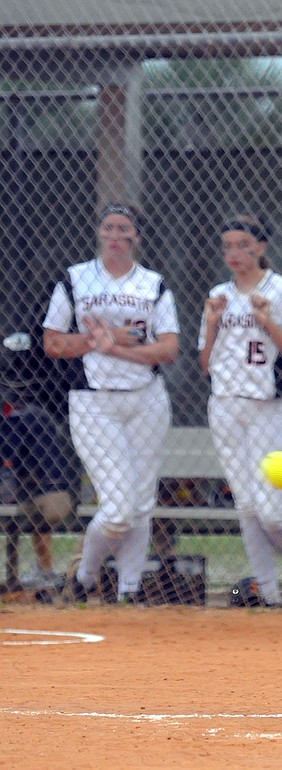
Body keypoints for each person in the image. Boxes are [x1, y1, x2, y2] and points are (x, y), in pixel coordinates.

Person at [43, 202, 180, 603]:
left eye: (125, 229)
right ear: (99, 233)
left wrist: (116, 346)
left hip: (147, 400)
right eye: (109, 228)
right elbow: (52, 342)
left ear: (137, 236)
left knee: (141, 501)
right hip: (93, 401)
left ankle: (129, 589)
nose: (116, 236)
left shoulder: (153, 284)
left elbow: (169, 348)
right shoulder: (75, 279)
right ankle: (85, 575)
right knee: (118, 507)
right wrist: (94, 342)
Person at [198, 214, 282, 607]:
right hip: (225, 406)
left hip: (267, 407)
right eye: (228, 245)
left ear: (261, 248)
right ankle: (269, 594)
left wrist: (268, 322)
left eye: (244, 245)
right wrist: (213, 323)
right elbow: (204, 364)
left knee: (272, 511)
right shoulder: (218, 294)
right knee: (246, 506)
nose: (235, 253)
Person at [0, 330, 74, 591]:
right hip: (50, 492)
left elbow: (9, 457)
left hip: (45, 496)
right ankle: (45, 570)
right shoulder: (39, 412)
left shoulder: (22, 414)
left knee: (33, 499)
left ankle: (45, 571)